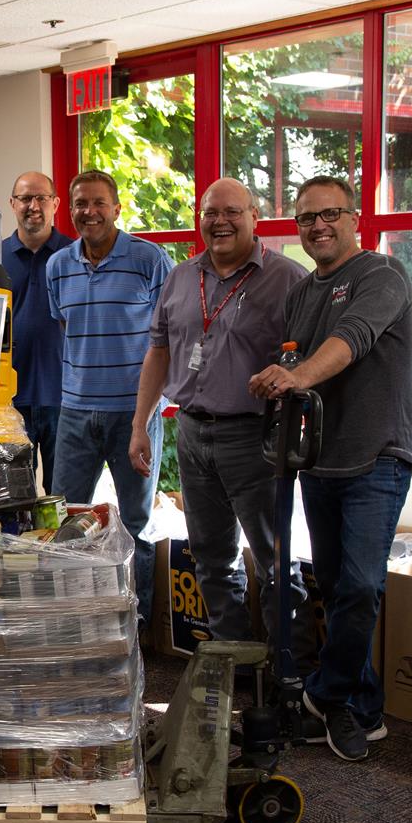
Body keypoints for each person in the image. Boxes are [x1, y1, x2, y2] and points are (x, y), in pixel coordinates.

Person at [249, 176, 412, 763]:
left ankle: (324, 695)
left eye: (330, 215)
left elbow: (353, 340)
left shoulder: (380, 276)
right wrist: (278, 373)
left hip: (377, 456)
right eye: (305, 219)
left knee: (362, 584)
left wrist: (297, 376)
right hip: (319, 459)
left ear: (355, 219)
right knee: (336, 587)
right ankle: (361, 711)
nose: (318, 226)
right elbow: (297, 354)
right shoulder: (304, 291)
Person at [130, 178, 313, 668]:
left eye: (233, 211)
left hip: (255, 437)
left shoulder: (288, 280)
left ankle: (283, 671)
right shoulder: (182, 277)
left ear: (255, 216)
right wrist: (139, 425)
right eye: (211, 212)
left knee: (275, 559)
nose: (220, 221)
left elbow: (311, 361)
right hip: (191, 431)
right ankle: (232, 665)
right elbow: (159, 352)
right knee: (212, 559)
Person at [46, 169, 173, 630]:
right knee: (64, 520)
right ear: (71, 209)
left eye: (99, 203)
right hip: (75, 413)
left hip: (133, 416)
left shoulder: (149, 260)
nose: (89, 212)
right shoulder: (57, 266)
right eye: (81, 203)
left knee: (136, 525)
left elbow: (167, 340)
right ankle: (69, 621)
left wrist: (145, 414)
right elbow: (71, 331)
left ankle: (134, 627)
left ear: (117, 208)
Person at [1, 171, 73, 490]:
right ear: (12, 204)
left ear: (55, 203)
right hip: (9, 399)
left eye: (41, 198)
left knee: (64, 493)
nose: (34, 205)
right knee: (16, 492)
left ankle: (62, 544)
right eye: (25, 198)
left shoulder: (75, 256)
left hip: (64, 395)